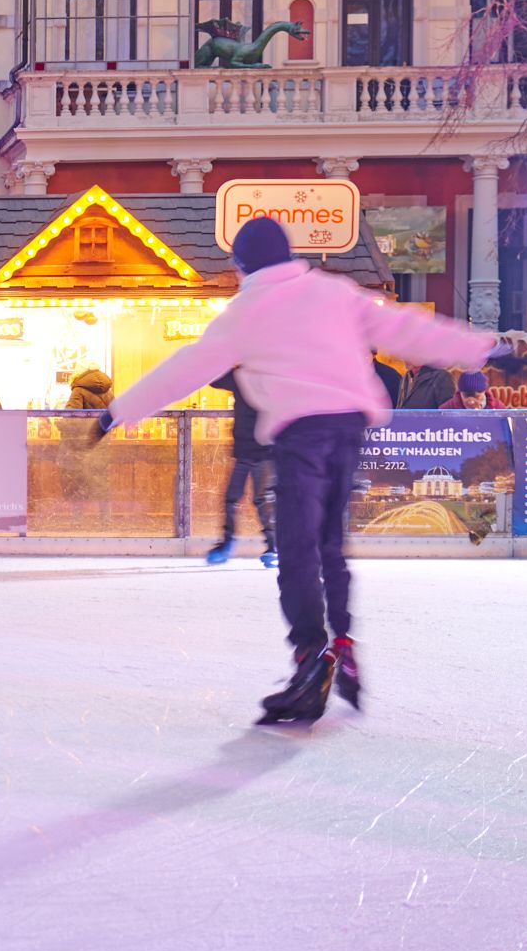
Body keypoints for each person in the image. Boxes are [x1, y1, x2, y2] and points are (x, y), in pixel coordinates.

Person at [104, 216, 495, 725]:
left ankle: (311, 658)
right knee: (330, 546)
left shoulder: (246, 310)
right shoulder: (333, 291)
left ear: (241, 263)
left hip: (300, 436)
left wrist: (121, 409)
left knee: (296, 550)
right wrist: (482, 348)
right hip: (349, 428)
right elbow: (403, 328)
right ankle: (343, 642)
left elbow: (189, 366)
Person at [205, 378, 275, 570]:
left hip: (264, 453)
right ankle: (228, 543)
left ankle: (274, 546)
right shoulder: (241, 377)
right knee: (231, 498)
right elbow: (214, 379)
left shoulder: (272, 379)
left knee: (262, 500)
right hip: (243, 452)